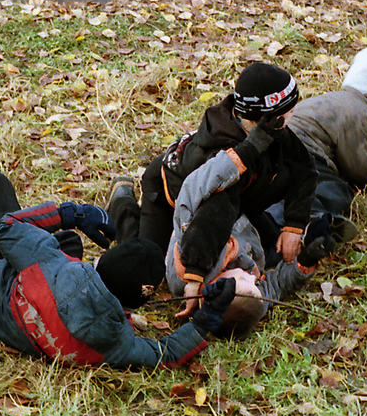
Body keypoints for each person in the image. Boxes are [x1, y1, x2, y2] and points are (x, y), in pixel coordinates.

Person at [0, 171, 236, 369]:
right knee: (68, 242)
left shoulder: (51, 262)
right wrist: (207, 319)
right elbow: (167, 354)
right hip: (17, 326)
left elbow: (6, 226)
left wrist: (71, 212)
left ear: (101, 264)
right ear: (131, 305)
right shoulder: (118, 341)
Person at [108, 62, 317, 270]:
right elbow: (210, 214)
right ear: (268, 117)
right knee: (146, 264)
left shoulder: (272, 130)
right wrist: (195, 271)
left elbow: (305, 167)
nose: (292, 117)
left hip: (239, 195)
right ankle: (122, 202)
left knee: (274, 247)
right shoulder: (221, 151)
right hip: (171, 194)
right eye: (289, 112)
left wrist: (294, 226)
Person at [160, 147, 337, 328]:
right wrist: (306, 261)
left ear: (217, 288)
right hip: (246, 222)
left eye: (247, 281)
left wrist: (235, 160)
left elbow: (190, 198)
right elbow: (277, 287)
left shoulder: (188, 268)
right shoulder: (247, 298)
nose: (254, 279)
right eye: (256, 284)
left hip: (207, 195)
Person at [265, 46, 367, 242]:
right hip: (304, 155)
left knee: (287, 186)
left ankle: (270, 213)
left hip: (274, 150)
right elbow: (365, 173)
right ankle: (304, 219)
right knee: (335, 189)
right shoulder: (359, 111)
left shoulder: (332, 99)